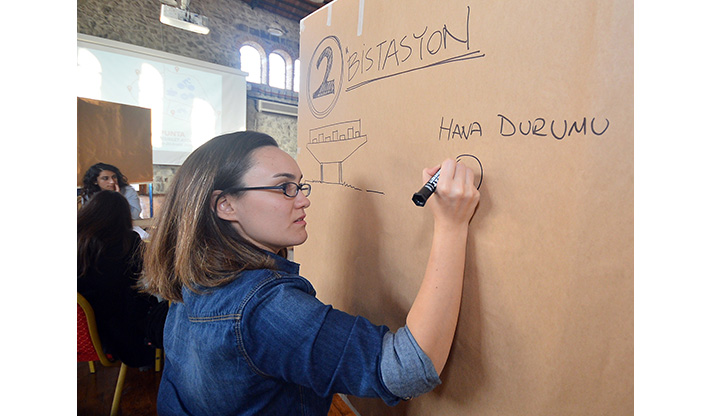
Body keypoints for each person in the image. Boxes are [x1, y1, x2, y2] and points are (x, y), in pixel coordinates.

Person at [141, 131, 480, 415]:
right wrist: (451, 225)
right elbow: (408, 368)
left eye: (300, 186)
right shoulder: (264, 307)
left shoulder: (196, 277)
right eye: (284, 187)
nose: (303, 200)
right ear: (226, 205)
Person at [77, 190, 166, 368]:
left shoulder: (78, 240)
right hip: (122, 330)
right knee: (169, 305)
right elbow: (142, 278)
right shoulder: (128, 241)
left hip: (84, 332)